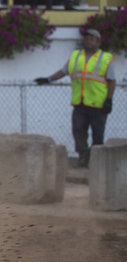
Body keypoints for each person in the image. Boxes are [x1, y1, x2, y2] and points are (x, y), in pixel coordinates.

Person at [36, 27, 117, 167]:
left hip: (98, 105)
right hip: (80, 103)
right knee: (78, 131)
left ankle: (96, 160)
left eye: (92, 39)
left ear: (98, 42)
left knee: (98, 134)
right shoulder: (76, 56)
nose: (88, 42)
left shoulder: (105, 58)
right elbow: (63, 71)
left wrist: (109, 100)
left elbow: (111, 80)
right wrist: (48, 79)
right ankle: (83, 157)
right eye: (86, 39)